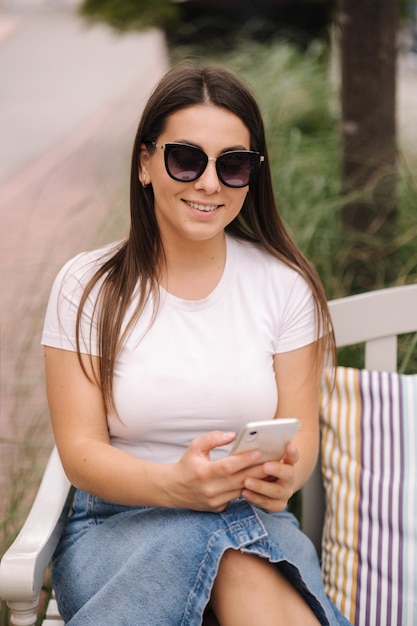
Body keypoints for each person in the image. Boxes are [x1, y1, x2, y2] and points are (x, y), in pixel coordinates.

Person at [41, 63, 351, 626]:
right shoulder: (86, 286)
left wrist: (286, 473)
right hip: (118, 524)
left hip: (254, 519)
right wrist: (177, 486)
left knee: (234, 543)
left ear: (252, 176)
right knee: (222, 541)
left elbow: (298, 432)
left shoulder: (285, 286)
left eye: (233, 165)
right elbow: (80, 454)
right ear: (145, 163)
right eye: (186, 158)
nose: (209, 183)